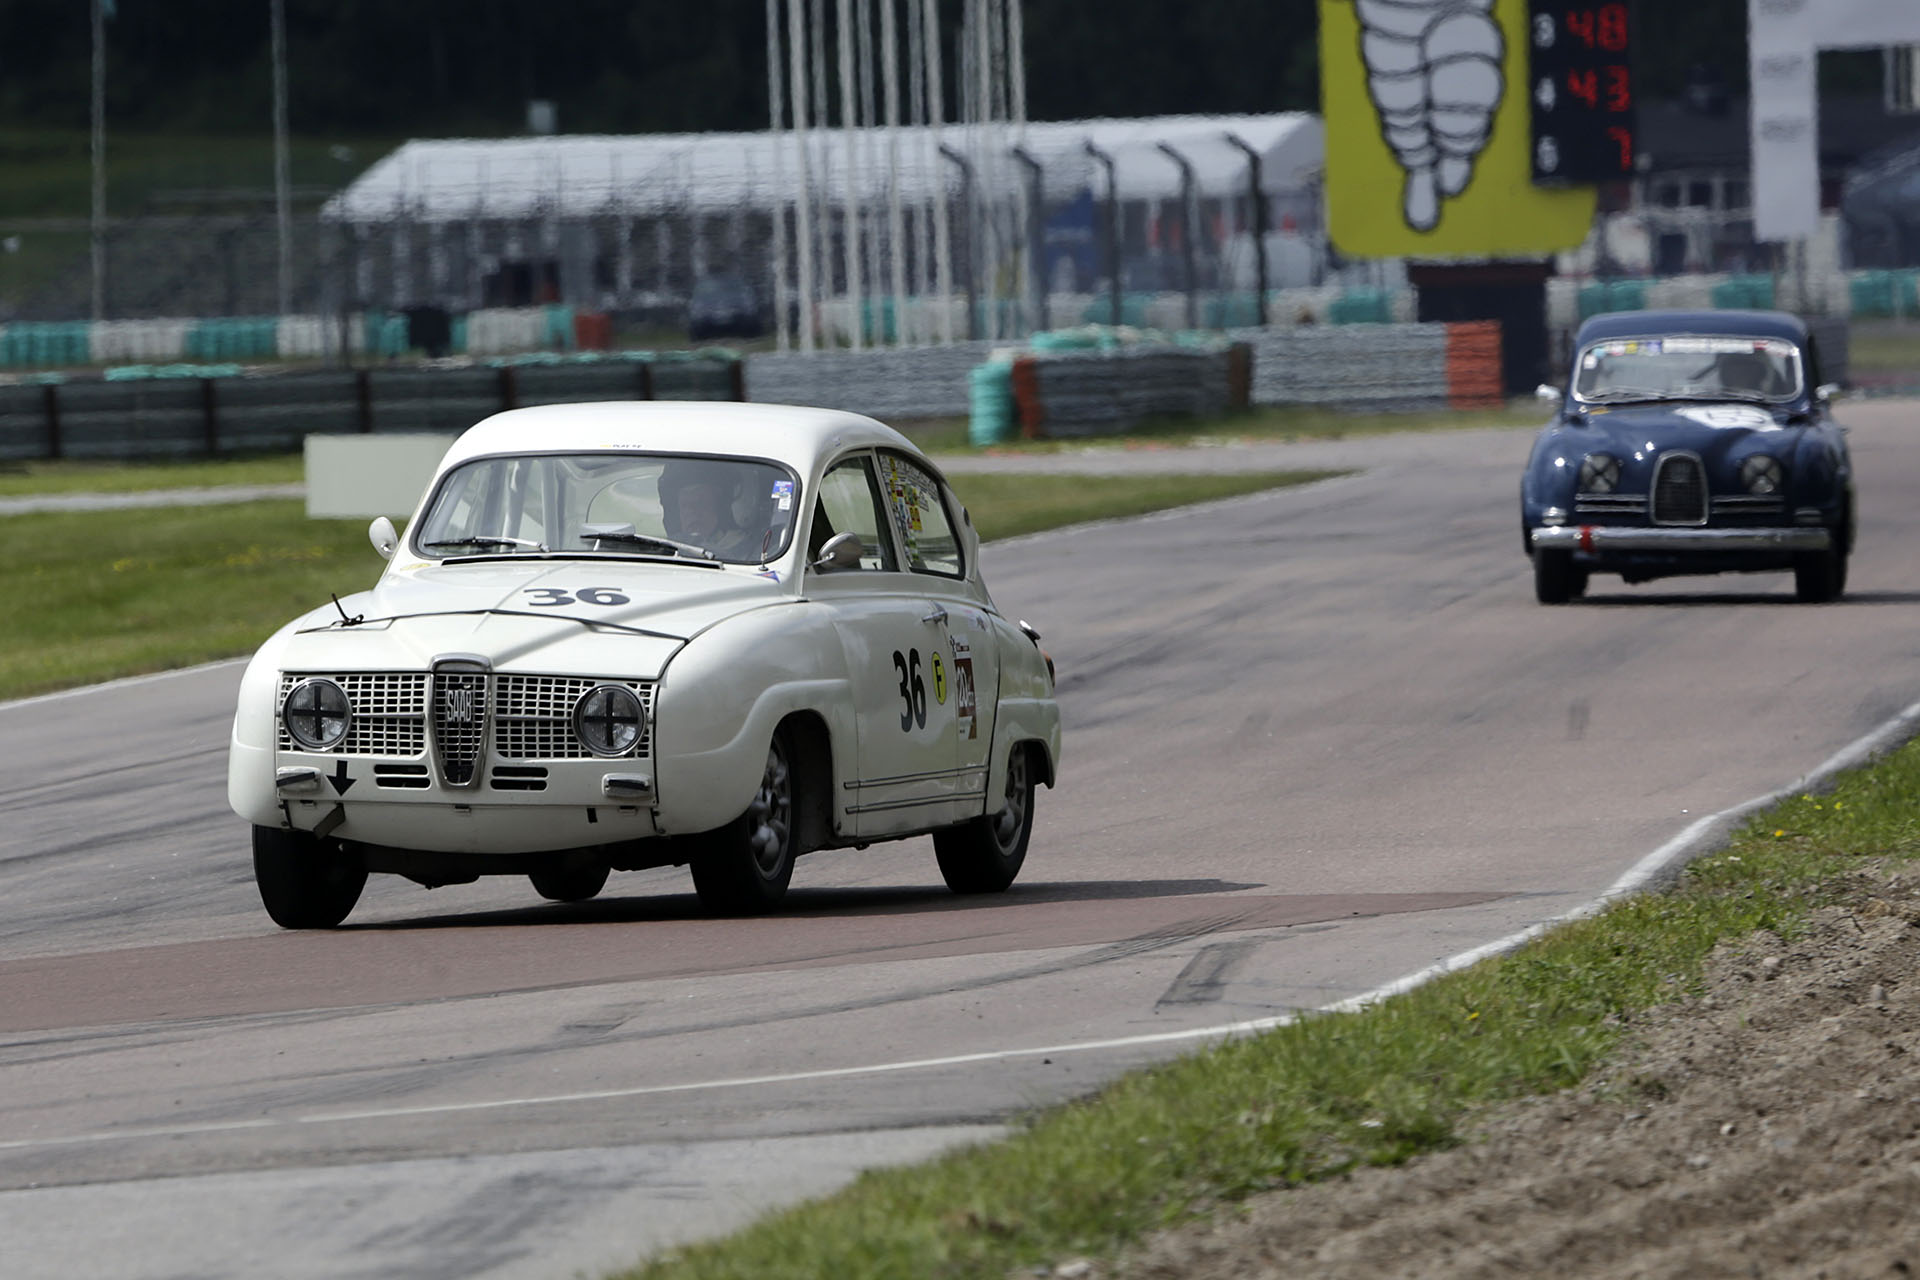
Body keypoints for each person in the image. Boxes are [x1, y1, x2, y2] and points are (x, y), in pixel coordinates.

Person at [660, 461, 760, 560]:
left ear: (720, 507)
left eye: (700, 503)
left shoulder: (751, 555)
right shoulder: (665, 551)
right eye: (685, 505)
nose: (692, 511)